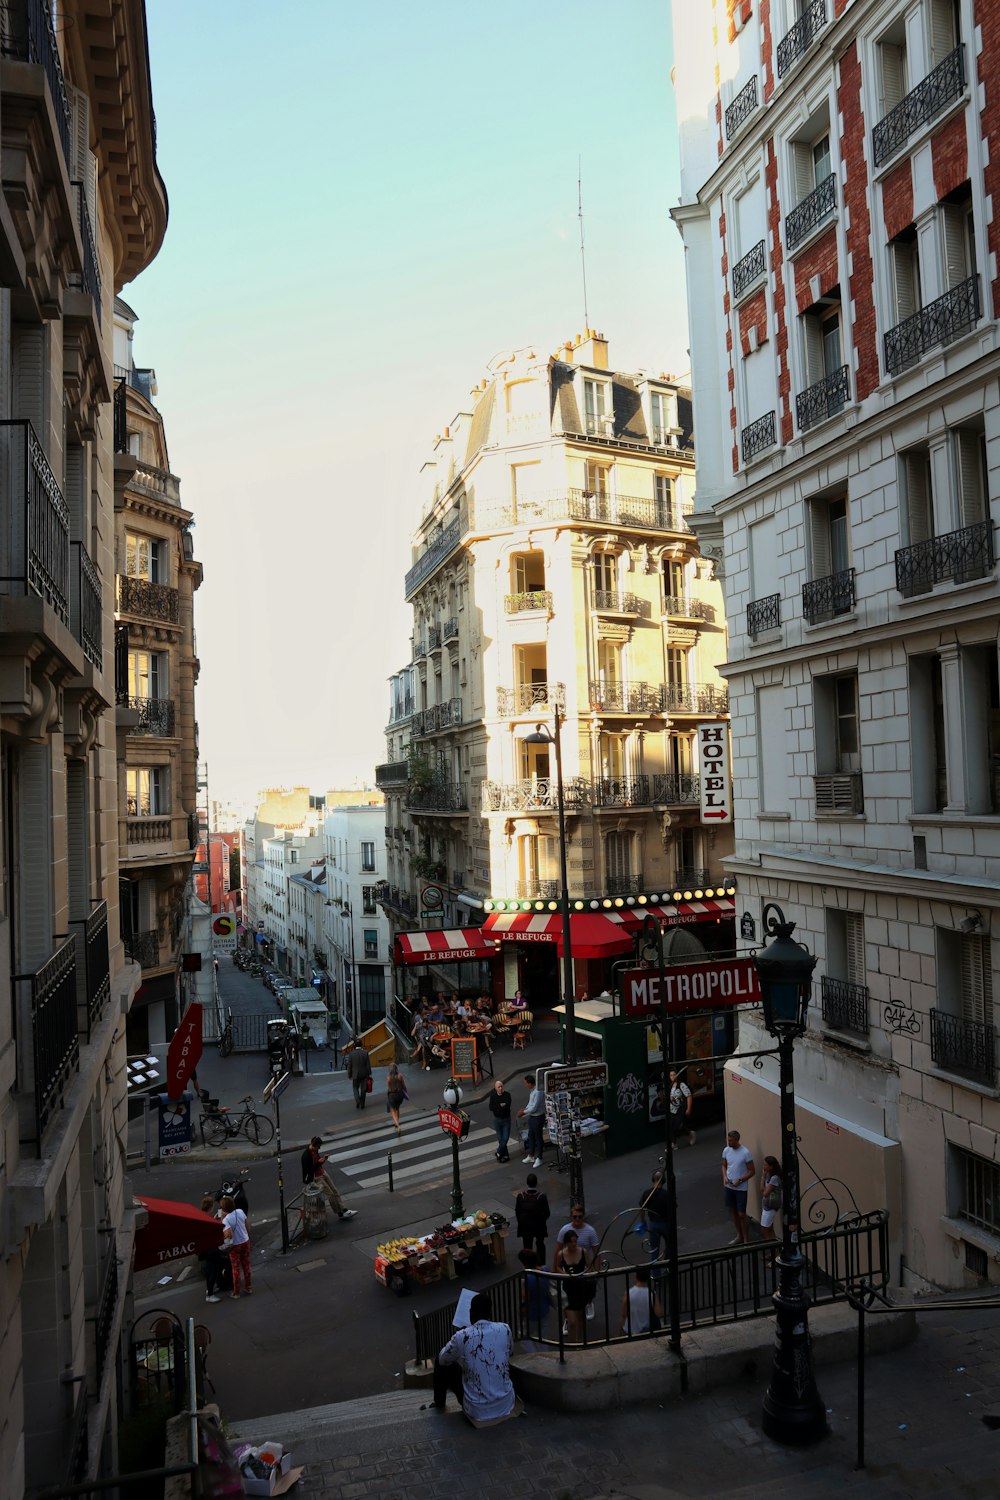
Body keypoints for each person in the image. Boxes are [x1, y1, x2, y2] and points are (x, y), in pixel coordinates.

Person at [432, 1291, 517, 1423]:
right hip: (505, 1404)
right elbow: (510, 1352)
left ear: (470, 1313)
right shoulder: (505, 1329)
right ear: (490, 1313)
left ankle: (439, 1403)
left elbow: (443, 1359)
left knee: (441, 1361)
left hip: (476, 1410)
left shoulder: (462, 1336)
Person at [301, 1137, 357, 1221]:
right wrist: (318, 1162)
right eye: (318, 1147)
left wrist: (324, 1159)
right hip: (316, 1178)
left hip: (323, 1173)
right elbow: (309, 1170)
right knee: (330, 1195)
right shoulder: (306, 1156)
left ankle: (344, 1210)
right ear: (314, 1145)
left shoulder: (315, 1150)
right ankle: (340, 1213)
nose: (319, 1148)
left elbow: (318, 1162)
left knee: (335, 1190)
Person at [553, 1229, 593, 1342]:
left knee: (579, 1317)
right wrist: (564, 1274)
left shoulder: (583, 1252)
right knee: (572, 1321)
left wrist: (586, 1275)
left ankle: (577, 1340)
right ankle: (572, 1341)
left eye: (575, 1241)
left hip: (581, 1287)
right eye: (572, 1242)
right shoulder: (561, 1254)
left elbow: (589, 1266)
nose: (574, 1244)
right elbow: (557, 1267)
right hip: (568, 1289)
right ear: (567, 1243)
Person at [722, 1129, 756, 1245]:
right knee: (733, 1211)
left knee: (742, 1213)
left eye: (731, 1140)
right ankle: (739, 1235)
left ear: (736, 1140)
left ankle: (746, 1239)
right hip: (729, 1186)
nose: (729, 1142)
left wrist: (741, 1180)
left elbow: (752, 1171)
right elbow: (724, 1166)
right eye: (728, 1139)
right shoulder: (726, 1150)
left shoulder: (745, 1153)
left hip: (741, 1188)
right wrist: (725, 1177)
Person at [220, 1194, 252, 1298]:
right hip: (245, 1241)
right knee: (246, 1265)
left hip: (235, 1246)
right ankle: (248, 1287)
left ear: (223, 1208)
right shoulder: (240, 1212)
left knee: (236, 1268)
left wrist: (222, 1219)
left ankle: (236, 1292)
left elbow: (228, 1235)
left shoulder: (226, 1220)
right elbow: (247, 1225)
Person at [198, 1195, 229, 1302]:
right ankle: (210, 1295)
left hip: (204, 1250)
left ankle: (210, 1289)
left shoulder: (200, 1216)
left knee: (210, 1271)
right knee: (213, 1270)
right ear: (210, 1208)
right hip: (210, 1250)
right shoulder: (207, 1220)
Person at [515, 1172, 550, 1263]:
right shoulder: (541, 1197)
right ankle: (541, 1264)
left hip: (525, 1227)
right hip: (539, 1226)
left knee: (527, 1246)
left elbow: (517, 1211)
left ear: (527, 1183)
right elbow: (547, 1213)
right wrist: (541, 1221)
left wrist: (521, 1222)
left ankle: (529, 1265)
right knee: (540, 1244)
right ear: (536, 1183)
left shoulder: (520, 1196)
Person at [640, 1169, 671, 1267]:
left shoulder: (647, 1193)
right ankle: (667, 1267)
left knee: (654, 1250)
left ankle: (656, 1275)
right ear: (663, 1181)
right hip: (665, 1223)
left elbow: (642, 1208)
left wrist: (643, 1221)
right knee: (669, 1246)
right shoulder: (666, 1194)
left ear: (653, 1180)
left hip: (653, 1224)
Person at [619, 1265, 662, 1335]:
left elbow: (623, 1314)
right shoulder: (651, 1294)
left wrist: (620, 1329)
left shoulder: (629, 1293)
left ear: (636, 1277)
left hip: (629, 1329)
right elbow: (658, 1313)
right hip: (645, 1330)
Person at [554, 1203, 600, 1268]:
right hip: (567, 1266)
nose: (577, 1219)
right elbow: (557, 1250)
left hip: (583, 1266)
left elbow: (596, 1253)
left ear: (583, 1216)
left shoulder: (591, 1231)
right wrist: (554, 1270)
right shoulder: (564, 1230)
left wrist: (597, 1273)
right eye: (575, 1216)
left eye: (580, 1217)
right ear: (571, 1216)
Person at [518, 1248, 550, 1338]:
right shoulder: (546, 1269)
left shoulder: (528, 1279)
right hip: (545, 1308)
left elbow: (526, 1297)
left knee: (525, 1336)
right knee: (543, 1337)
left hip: (532, 1312)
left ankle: (534, 1352)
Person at [517, 1073, 545, 1168]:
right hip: (532, 1117)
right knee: (531, 1136)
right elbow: (530, 1104)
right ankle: (531, 1155)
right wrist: (524, 1109)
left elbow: (534, 1107)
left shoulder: (538, 1092)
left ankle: (539, 1158)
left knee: (538, 1138)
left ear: (530, 1083)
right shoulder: (532, 1091)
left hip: (538, 1117)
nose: (525, 1085)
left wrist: (523, 1112)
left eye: (526, 1084)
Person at [759, 1155, 783, 1246]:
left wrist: (763, 1178)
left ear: (771, 1166)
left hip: (770, 1206)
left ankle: (771, 1248)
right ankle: (775, 1249)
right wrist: (763, 1176)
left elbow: (765, 1193)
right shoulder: (768, 1175)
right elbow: (762, 1189)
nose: (763, 1166)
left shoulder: (774, 1178)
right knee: (769, 1228)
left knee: (764, 1229)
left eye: (765, 1165)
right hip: (767, 1205)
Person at [669, 1068, 695, 1147]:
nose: (672, 1077)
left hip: (680, 1109)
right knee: (671, 1126)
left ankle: (690, 1133)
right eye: (671, 1075)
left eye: (674, 1075)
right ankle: (673, 1143)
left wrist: (688, 1108)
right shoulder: (670, 1086)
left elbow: (689, 1096)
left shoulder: (681, 1085)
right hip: (672, 1109)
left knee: (679, 1125)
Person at [488, 1078, 512, 1161]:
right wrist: (500, 1106)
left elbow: (507, 1106)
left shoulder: (507, 1095)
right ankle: (506, 1155)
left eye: (501, 1086)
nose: (500, 1088)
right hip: (497, 1120)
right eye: (498, 1087)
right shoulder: (493, 1096)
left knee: (505, 1138)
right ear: (495, 1088)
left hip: (506, 1120)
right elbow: (491, 1107)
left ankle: (499, 1152)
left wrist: (497, 1107)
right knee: (500, 1139)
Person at [345, 1041, 372, 1109]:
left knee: (355, 1088)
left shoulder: (351, 1054)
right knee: (363, 1089)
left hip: (355, 1074)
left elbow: (349, 1066)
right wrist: (369, 1074)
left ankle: (358, 1100)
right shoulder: (365, 1053)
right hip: (364, 1074)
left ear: (354, 1046)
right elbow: (368, 1065)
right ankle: (362, 1104)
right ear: (361, 1045)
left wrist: (349, 1075)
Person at [386, 1062, 406, 1135]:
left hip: (392, 1095)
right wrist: (406, 1093)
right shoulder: (400, 1076)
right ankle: (397, 1122)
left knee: (392, 1110)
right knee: (397, 1109)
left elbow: (388, 1087)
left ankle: (397, 1124)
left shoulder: (388, 1077)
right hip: (400, 1095)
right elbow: (404, 1086)